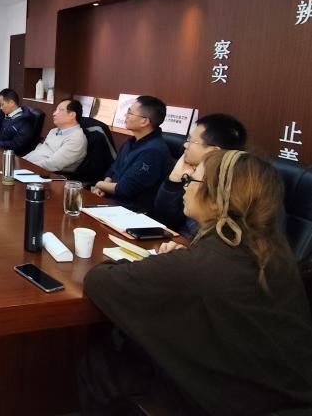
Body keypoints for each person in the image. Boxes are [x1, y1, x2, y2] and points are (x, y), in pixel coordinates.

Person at [80, 151, 312, 415]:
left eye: (191, 180)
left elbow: (99, 281)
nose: (186, 186)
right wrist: (177, 265)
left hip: (230, 404)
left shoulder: (199, 265)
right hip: (289, 396)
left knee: (101, 362)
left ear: (217, 197)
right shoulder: (276, 253)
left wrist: (164, 266)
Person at [154, 113, 247, 239]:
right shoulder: (191, 171)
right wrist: (174, 180)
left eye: (191, 141)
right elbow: (165, 219)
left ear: (214, 152)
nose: (185, 145)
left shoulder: (231, 188)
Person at [91, 95, 171, 212]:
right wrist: (104, 185)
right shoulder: (132, 141)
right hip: (110, 200)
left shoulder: (153, 152)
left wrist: (99, 184)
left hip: (130, 210)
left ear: (144, 121)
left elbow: (125, 189)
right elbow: (113, 169)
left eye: (130, 113)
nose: (126, 116)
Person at [24, 98, 87, 173]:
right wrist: (20, 160)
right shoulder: (53, 131)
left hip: (45, 174)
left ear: (72, 115)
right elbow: (38, 151)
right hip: (30, 167)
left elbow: (52, 164)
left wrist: (24, 167)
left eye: (60, 110)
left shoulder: (76, 138)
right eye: (55, 110)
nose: (54, 114)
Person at [0, 88, 37, 156]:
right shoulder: (8, 116)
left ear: (11, 103)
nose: (0, 108)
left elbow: (16, 144)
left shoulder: (25, 121)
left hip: (12, 156)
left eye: (2, 104)